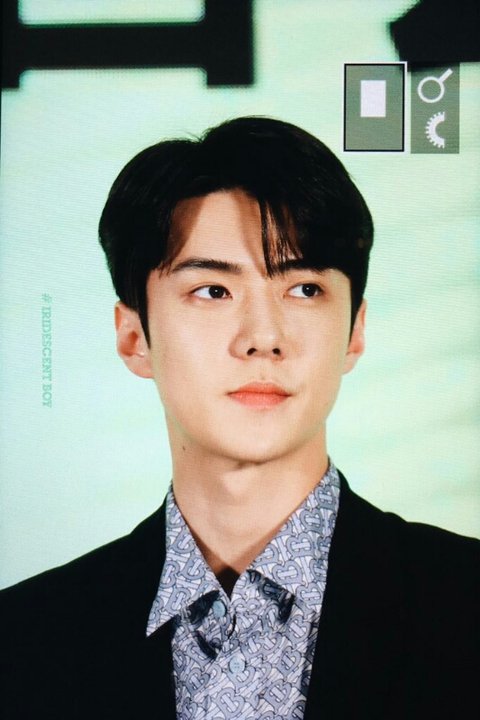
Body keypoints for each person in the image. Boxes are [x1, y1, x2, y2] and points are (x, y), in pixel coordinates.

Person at [0, 117, 478, 719]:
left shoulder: (463, 604)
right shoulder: (25, 639)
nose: (263, 338)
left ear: (354, 332)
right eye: (213, 291)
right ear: (133, 336)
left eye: (305, 289)